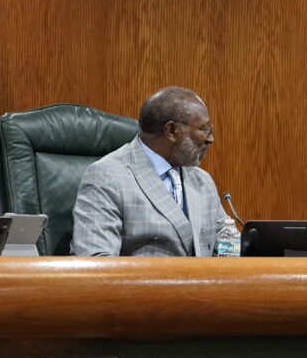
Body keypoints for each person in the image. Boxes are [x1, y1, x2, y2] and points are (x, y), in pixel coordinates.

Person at [71, 86, 228, 256]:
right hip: (144, 282)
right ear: (172, 131)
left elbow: (229, 248)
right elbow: (96, 263)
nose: (211, 139)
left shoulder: (202, 181)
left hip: (207, 282)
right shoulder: (107, 176)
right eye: (204, 129)